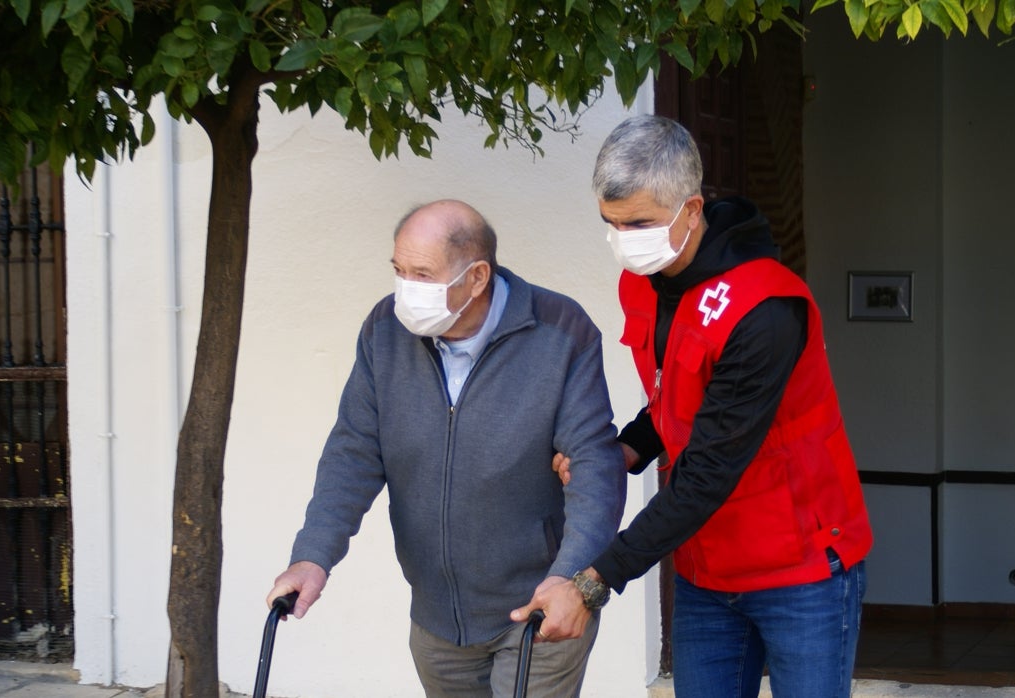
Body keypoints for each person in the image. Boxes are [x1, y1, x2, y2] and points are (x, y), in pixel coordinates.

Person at [514, 116, 873, 697]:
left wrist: (592, 582)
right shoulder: (645, 281)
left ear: (692, 208)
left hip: (802, 567)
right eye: (612, 224)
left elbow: (709, 471)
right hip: (708, 566)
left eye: (640, 223)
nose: (624, 240)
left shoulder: (766, 308)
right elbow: (671, 396)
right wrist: (625, 449)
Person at [267, 199, 627, 698]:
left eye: (422, 274)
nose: (405, 290)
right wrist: (313, 555)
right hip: (437, 617)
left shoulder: (560, 330)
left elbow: (594, 466)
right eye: (399, 271)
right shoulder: (385, 330)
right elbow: (353, 451)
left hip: (537, 608)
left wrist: (570, 580)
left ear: (477, 277)